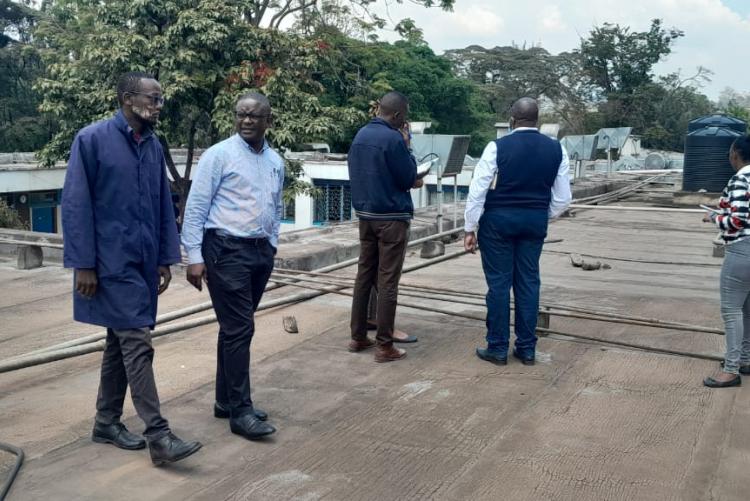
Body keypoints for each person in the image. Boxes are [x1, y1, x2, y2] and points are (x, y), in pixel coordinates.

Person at [61, 71, 202, 465]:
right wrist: (83, 265)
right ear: (127, 98)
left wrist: (164, 257)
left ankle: (106, 421)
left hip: (141, 263)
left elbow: (161, 203)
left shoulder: (153, 145)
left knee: (118, 342)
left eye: (160, 100)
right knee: (137, 342)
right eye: (152, 99)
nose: (158, 106)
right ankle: (159, 436)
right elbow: (75, 205)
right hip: (108, 264)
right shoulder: (92, 140)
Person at [181, 92, 282, 440]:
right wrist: (194, 257)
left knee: (235, 328)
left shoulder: (275, 160)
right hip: (225, 250)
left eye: (255, 116)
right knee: (241, 329)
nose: (247, 121)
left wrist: (271, 244)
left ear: (269, 120)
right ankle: (241, 411)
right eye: (241, 114)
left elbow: (276, 204)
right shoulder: (219, 155)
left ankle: (225, 400)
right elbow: (195, 208)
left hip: (259, 253)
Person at [464, 97, 571, 366]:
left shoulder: (497, 147)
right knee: (528, 282)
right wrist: (539, 214)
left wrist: (469, 227)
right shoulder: (557, 149)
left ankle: (498, 348)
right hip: (534, 222)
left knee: (499, 284)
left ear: (512, 120)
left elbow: (478, 190)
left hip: (498, 223)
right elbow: (562, 199)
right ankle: (526, 348)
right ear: (538, 120)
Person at [347, 91, 423, 362]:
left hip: (366, 216)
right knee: (388, 280)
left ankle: (358, 337)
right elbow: (407, 176)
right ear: (398, 115)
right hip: (391, 218)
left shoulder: (361, 135)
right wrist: (408, 146)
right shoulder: (393, 138)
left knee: (364, 275)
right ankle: (384, 345)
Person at [703, 135, 750, 388]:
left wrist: (713, 218)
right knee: (748, 310)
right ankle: (745, 358)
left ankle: (731, 370)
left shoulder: (741, 178)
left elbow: (737, 220)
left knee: (732, 312)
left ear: (736, 154)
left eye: (731, 152)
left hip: (743, 250)